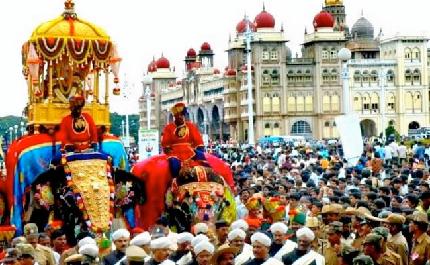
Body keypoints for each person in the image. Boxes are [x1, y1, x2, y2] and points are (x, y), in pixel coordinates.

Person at [161, 102, 207, 178]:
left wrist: (198, 151)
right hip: (174, 153)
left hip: (190, 151)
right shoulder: (169, 128)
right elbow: (165, 145)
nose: (180, 117)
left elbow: (199, 142)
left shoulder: (190, 126)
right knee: (174, 165)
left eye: (181, 115)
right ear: (174, 117)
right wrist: (170, 152)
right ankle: (174, 182)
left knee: (205, 163)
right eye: (177, 115)